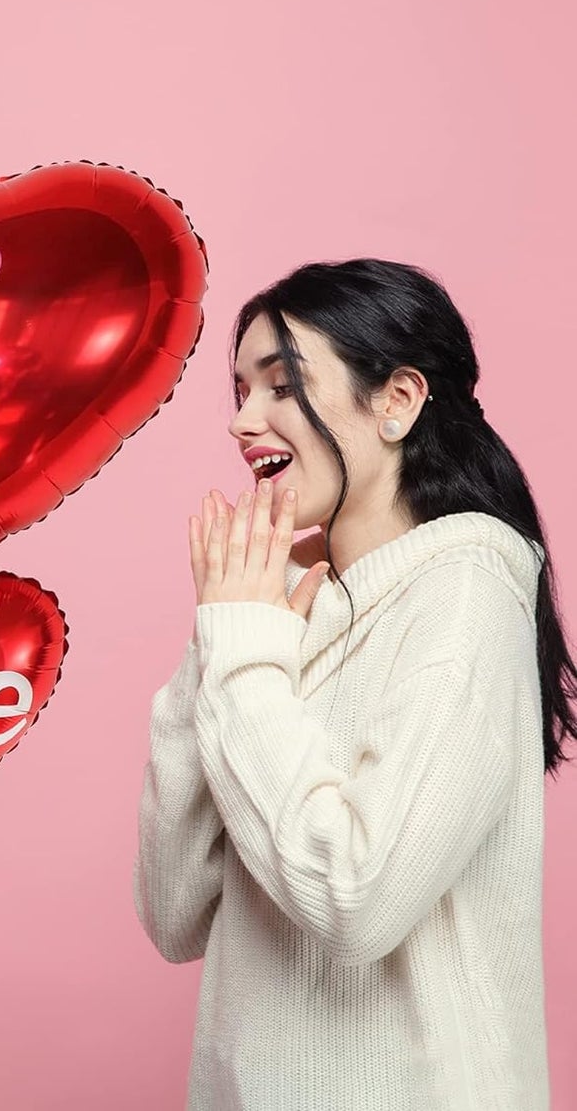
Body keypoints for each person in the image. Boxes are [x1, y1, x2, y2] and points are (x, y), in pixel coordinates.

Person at [134, 258, 575, 1110]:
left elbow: (355, 899)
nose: (242, 421)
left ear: (396, 402)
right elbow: (172, 911)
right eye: (239, 391)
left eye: (280, 384)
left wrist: (243, 650)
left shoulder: (464, 591)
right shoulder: (282, 619)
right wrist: (221, 641)